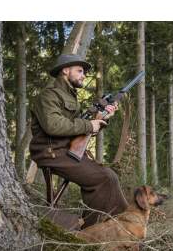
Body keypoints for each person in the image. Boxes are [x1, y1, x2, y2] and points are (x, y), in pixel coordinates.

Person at [29, 54, 128, 228]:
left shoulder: (69, 96)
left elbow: (77, 129)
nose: (84, 75)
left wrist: (101, 119)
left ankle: (112, 226)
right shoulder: (49, 95)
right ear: (66, 70)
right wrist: (89, 125)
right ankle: (93, 230)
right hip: (51, 152)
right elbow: (53, 125)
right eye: (80, 71)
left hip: (64, 150)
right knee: (105, 177)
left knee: (107, 176)